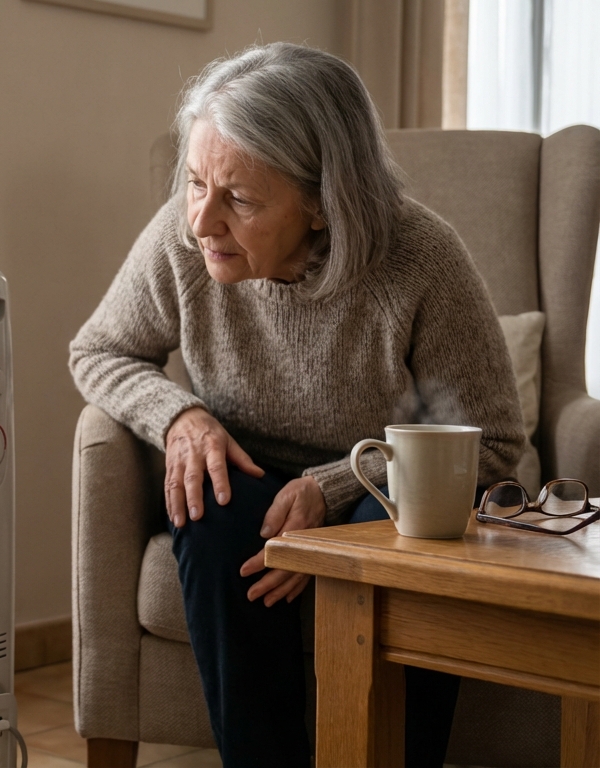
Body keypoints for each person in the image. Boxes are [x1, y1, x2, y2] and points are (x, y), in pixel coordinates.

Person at [68, 42, 525, 768]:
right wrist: (180, 415)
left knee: (414, 536)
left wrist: (332, 492)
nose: (202, 222)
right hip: (252, 473)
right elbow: (98, 351)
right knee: (210, 511)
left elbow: (492, 442)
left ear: (321, 202)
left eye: (239, 199)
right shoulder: (183, 242)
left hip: (381, 484)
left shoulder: (420, 259)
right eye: (194, 184)